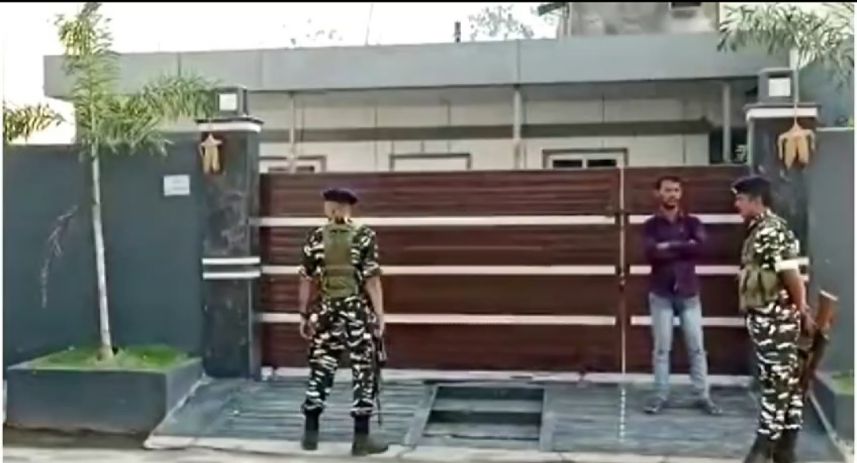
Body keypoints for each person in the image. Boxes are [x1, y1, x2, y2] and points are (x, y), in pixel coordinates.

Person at [297, 187, 388, 456]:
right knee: (363, 369)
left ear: (332, 208)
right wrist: (380, 315)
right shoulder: (364, 235)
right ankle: (361, 439)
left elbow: (305, 278)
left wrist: (303, 315)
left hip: (325, 311)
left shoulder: (315, 237)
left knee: (321, 367)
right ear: (348, 208)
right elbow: (372, 279)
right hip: (355, 311)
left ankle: (310, 434)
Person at [732, 175, 810, 463]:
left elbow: (791, 274)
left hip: (778, 322)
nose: (736, 204)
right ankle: (785, 451)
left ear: (756, 200)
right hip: (767, 322)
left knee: (778, 385)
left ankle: (763, 448)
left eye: (740, 199)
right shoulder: (759, 230)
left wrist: (801, 309)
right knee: (786, 384)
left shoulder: (772, 230)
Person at [642, 175, 722, 416]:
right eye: (667, 190)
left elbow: (702, 248)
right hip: (661, 293)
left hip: (688, 293)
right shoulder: (650, 226)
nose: (672, 194)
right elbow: (651, 253)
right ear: (658, 193)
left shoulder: (692, 223)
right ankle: (659, 396)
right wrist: (684, 246)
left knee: (696, 347)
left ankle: (702, 396)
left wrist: (668, 246)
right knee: (662, 349)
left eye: (676, 190)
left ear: (681, 193)